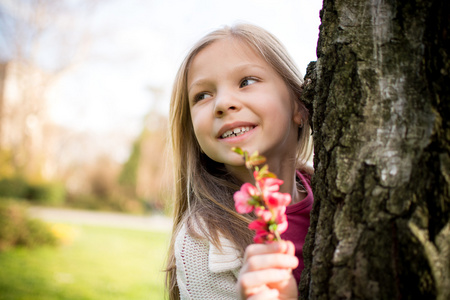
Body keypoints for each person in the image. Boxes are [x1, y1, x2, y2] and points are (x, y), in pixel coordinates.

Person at [165, 23, 314, 300]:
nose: (222, 103)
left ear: (299, 105)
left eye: (246, 81)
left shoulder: (335, 190)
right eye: (202, 95)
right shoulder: (204, 242)